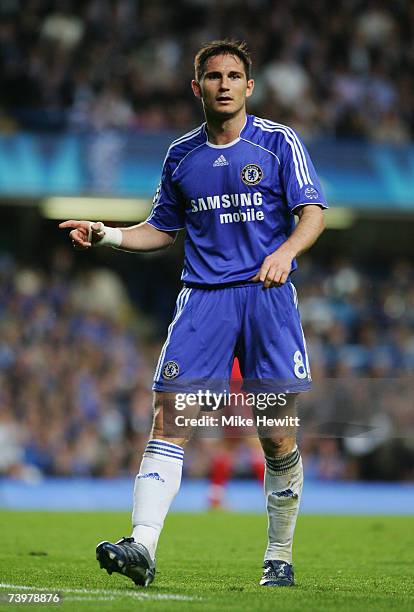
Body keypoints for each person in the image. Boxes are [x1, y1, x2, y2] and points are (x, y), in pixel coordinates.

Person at [60, 39, 327, 588]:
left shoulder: (279, 144)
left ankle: (279, 555)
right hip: (204, 299)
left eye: (234, 76)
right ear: (197, 87)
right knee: (170, 417)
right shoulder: (181, 156)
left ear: (249, 86)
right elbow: (160, 227)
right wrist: (107, 234)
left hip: (267, 298)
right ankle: (142, 546)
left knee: (275, 436)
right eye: (213, 76)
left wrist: (285, 253)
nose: (224, 84)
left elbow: (313, 212)